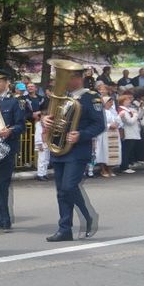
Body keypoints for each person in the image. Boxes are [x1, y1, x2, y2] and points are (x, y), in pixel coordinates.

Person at [41, 62, 105, 242]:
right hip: (59, 148)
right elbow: (52, 117)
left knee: (69, 187)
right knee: (61, 191)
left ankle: (87, 217)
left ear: (78, 78)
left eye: (66, 76)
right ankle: (64, 229)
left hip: (77, 150)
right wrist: (46, 120)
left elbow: (99, 125)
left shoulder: (90, 97)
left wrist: (81, 135)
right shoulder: (61, 96)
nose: (60, 81)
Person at [0, 68, 27, 232]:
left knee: (1, 183)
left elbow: (21, 125)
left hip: (7, 147)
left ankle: (4, 219)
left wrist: (10, 131)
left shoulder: (15, 102)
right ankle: (1, 218)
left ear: (6, 83)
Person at [94, 96, 122, 178]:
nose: (111, 104)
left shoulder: (113, 111)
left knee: (112, 152)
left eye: (112, 102)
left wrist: (117, 124)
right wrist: (109, 125)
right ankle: (103, 169)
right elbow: (100, 122)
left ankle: (110, 169)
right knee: (104, 151)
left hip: (114, 134)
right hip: (104, 134)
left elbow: (118, 120)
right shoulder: (101, 112)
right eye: (109, 102)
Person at [118, 96, 141, 174]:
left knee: (128, 150)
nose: (129, 101)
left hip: (132, 132)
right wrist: (135, 115)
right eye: (127, 100)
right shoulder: (123, 111)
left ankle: (126, 165)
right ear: (123, 101)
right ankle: (124, 167)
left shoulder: (129, 110)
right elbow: (130, 122)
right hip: (127, 133)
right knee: (126, 150)